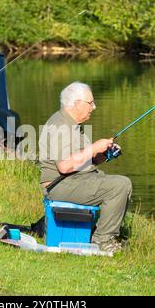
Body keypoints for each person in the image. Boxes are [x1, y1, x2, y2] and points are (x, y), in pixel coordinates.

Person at [39, 81, 132, 254]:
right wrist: (94, 147)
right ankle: (102, 241)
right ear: (76, 104)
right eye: (90, 103)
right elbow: (65, 166)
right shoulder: (60, 126)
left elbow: (83, 161)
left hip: (75, 180)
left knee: (115, 184)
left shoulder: (73, 125)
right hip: (59, 185)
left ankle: (99, 234)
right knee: (120, 185)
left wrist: (104, 154)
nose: (94, 107)